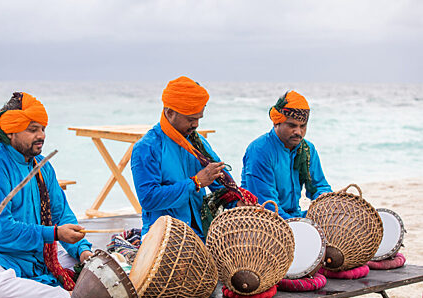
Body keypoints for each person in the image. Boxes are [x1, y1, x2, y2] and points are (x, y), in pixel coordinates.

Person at [0, 92, 93, 298]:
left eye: (43, 129)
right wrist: (54, 234)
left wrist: (83, 251)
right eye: (32, 129)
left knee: (98, 265)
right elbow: (1, 231)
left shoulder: (43, 166)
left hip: (39, 258)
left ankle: (64, 294)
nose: (41, 135)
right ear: (11, 132)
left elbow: (62, 214)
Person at [131, 76, 255, 240]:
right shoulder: (147, 147)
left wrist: (237, 202)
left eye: (198, 118)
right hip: (164, 236)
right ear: (169, 113)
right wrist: (195, 183)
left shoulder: (198, 143)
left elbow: (221, 183)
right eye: (191, 119)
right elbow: (149, 199)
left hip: (202, 231)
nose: (196, 124)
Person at [241, 90, 332, 219]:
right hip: (260, 220)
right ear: (276, 122)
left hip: (293, 216)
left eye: (303, 126)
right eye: (292, 125)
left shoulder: (307, 149)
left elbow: (320, 186)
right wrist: (298, 224)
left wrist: (325, 199)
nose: (298, 132)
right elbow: (266, 204)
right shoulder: (260, 150)